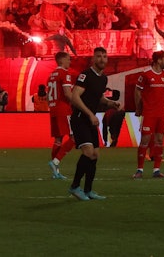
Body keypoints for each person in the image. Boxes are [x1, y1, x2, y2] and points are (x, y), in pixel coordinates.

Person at [68, 46, 122, 201]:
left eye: (104, 56)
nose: (102, 59)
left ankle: (88, 190)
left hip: (91, 119)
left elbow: (98, 98)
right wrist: (90, 114)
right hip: (80, 118)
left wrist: (110, 103)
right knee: (88, 152)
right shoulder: (86, 75)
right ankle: (74, 186)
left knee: (95, 155)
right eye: (99, 56)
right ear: (93, 58)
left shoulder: (103, 78)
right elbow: (75, 96)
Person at [133, 50, 164, 179]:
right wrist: (138, 108)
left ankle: (157, 170)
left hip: (161, 113)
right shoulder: (146, 74)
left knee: (160, 140)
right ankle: (139, 170)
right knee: (145, 140)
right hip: (149, 113)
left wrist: (163, 103)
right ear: (158, 60)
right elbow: (137, 91)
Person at [46, 51, 76, 180]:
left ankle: (55, 172)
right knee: (75, 137)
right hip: (64, 110)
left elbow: (48, 96)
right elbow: (68, 94)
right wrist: (77, 103)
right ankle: (56, 161)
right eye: (68, 59)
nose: (70, 62)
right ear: (62, 60)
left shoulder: (51, 76)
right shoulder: (65, 74)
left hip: (53, 109)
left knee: (58, 140)